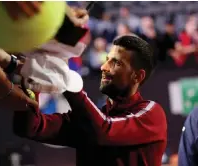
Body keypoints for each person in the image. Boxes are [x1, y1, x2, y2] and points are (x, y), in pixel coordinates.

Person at [13, 35, 167, 166]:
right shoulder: (92, 120)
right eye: (107, 60)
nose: (103, 67)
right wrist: (31, 82)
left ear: (137, 76)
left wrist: (67, 80)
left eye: (116, 63)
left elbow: (104, 131)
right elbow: (30, 127)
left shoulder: (152, 114)